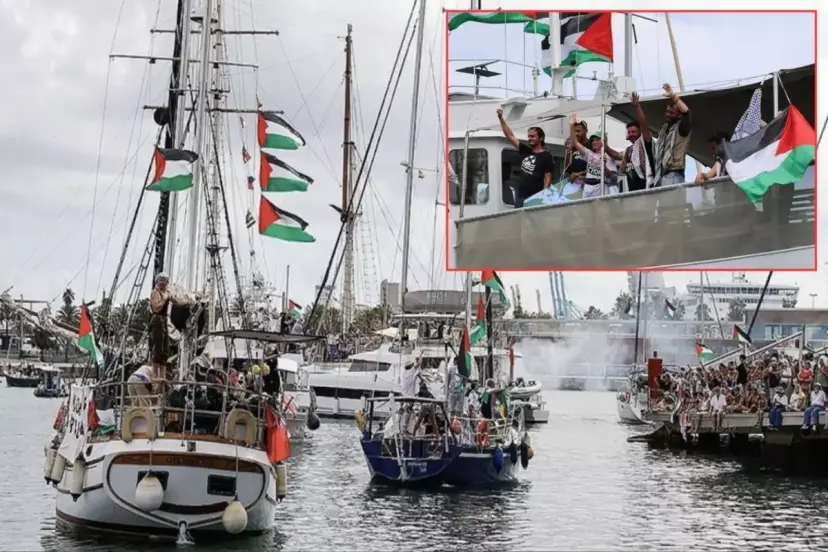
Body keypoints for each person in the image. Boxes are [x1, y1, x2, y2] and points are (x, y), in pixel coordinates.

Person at [629, 83, 692, 187]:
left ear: (679, 115)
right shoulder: (664, 131)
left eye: (671, 113)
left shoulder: (682, 127)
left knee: (671, 202)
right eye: (667, 111)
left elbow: (687, 112)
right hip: (661, 174)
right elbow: (644, 125)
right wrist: (637, 107)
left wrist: (674, 96)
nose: (668, 114)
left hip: (674, 173)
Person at [496, 108, 554, 207]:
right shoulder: (525, 150)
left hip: (535, 195)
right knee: (520, 220)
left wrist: (544, 194)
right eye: (529, 136)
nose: (530, 138)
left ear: (541, 138)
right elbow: (509, 135)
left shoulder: (546, 156)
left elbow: (548, 177)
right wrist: (501, 118)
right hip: (521, 195)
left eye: (533, 136)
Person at [148, 272, 176, 383]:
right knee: (158, 347)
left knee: (165, 349)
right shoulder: (155, 293)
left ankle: (163, 375)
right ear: (157, 282)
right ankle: (155, 375)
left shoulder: (166, 294)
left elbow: (176, 301)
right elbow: (156, 308)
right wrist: (164, 299)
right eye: (161, 281)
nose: (162, 283)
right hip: (157, 319)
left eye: (164, 281)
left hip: (164, 320)